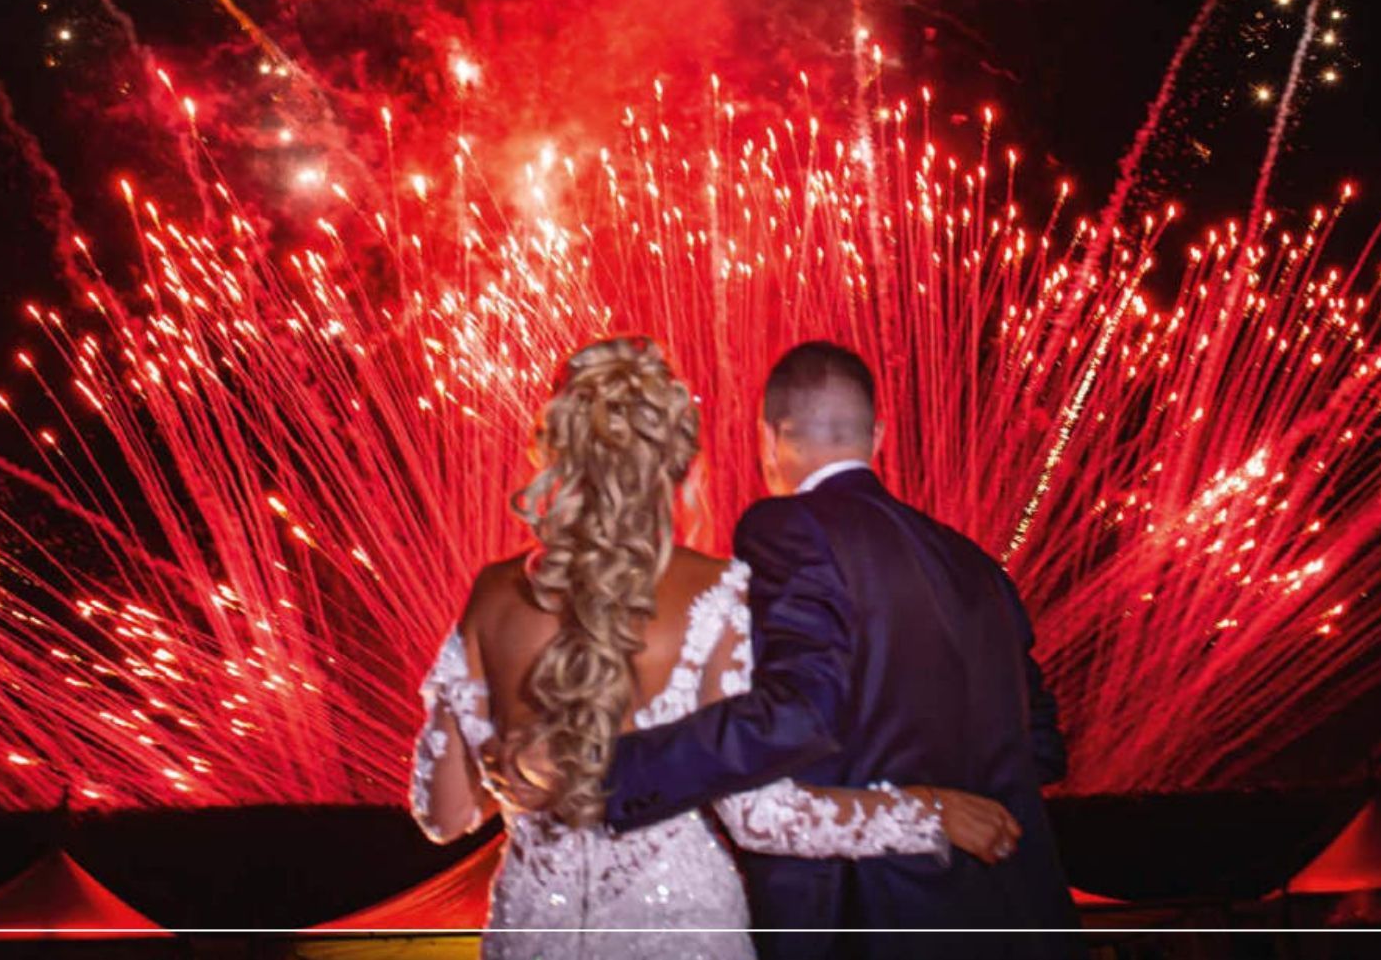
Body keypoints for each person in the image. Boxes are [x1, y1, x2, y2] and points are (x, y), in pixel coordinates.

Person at [408, 336, 1019, 959]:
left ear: (556, 456)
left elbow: (442, 815)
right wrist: (925, 812)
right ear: (684, 470)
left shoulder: (492, 596)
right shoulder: (717, 593)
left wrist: (519, 768)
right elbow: (763, 819)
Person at [594, 340, 1082, 958]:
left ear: (768, 437)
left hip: (874, 916)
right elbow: (1042, 747)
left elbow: (798, 714)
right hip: (1014, 917)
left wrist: (617, 772)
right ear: (877, 436)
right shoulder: (978, 566)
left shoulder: (786, 526)